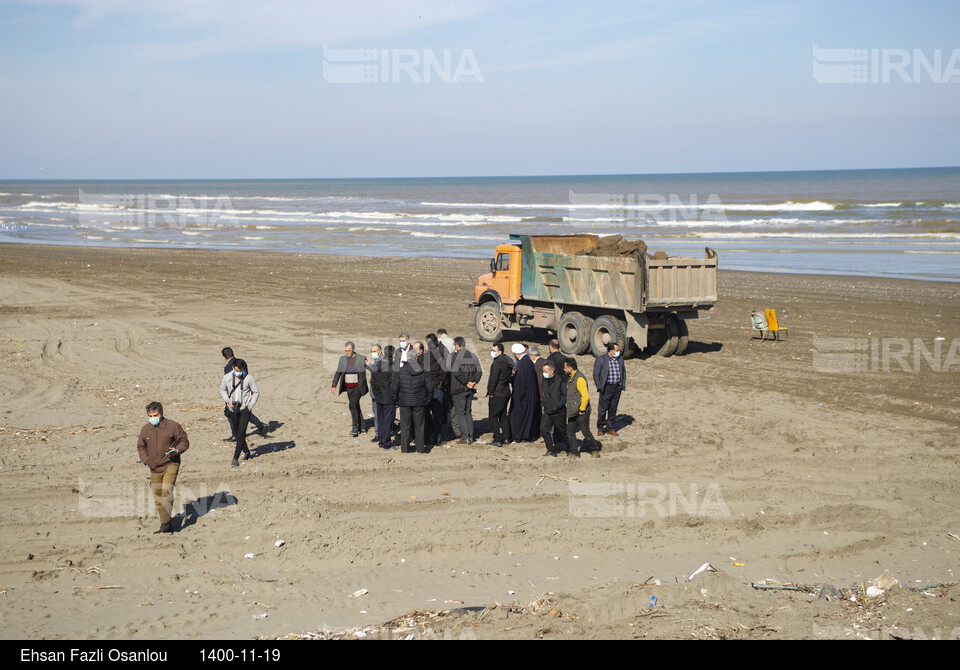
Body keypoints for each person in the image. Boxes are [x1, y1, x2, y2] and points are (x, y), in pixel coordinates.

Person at [137, 401, 189, 533]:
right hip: (154, 467)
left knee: (166, 493)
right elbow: (141, 446)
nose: (153, 418)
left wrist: (176, 451)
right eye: (150, 416)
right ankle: (167, 521)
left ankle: (164, 525)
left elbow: (184, 441)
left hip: (170, 464)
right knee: (158, 498)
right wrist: (145, 459)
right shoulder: (145, 429)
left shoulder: (173, 426)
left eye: (155, 415)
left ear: (161, 414)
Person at [221, 358, 261, 466]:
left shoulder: (248, 378)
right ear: (233, 368)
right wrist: (227, 401)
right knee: (239, 433)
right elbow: (223, 389)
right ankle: (247, 452)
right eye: (237, 370)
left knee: (240, 433)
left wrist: (250, 405)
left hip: (245, 410)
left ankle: (235, 457)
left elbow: (256, 392)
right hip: (232, 409)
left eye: (241, 370)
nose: (239, 373)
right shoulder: (227, 377)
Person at [391, 355, 434, 454]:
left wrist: (396, 401)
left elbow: (394, 388)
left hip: (405, 402)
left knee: (405, 427)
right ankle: (420, 449)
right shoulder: (424, 371)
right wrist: (428, 399)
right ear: (416, 358)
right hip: (419, 402)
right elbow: (430, 388)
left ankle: (405, 449)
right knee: (419, 427)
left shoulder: (400, 371)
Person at [221, 347, 267, 438]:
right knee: (244, 411)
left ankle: (235, 435)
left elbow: (229, 383)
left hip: (235, 394)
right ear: (233, 353)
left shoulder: (227, 368)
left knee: (232, 414)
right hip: (245, 391)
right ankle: (260, 425)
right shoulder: (242, 362)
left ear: (223, 357)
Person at [564, 357, 601, 458]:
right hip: (573, 410)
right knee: (570, 431)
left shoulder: (579, 379)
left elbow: (585, 396)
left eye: (565, 367)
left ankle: (595, 449)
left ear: (570, 368)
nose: (564, 369)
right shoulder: (571, 377)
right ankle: (574, 452)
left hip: (581, 411)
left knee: (585, 432)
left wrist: (582, 409)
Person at [331, 342, 368, 438]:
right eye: (346, 350)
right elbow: (338, 372)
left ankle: (355, 427)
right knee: (355, 405)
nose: (347, 352)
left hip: (358, 387)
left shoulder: (361, 358)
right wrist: (334, 385)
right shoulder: (342, 359)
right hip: (348, 387)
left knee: (352, 405)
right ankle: (362, 426)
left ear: (354, 350)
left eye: (349, 350)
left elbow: (371, 368)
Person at [449, 336, 482, 444]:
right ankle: (470, 435)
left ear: (457, 345)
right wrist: (474, 382)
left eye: (454, 345)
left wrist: (467, 382)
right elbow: (479, 371)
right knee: (468, 412)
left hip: (459, 388)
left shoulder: (455, 357)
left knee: (460, 413)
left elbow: (456, 372)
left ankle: (465, 436)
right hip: (470, 389)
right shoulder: (472, 355)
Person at [593, 342, 626, 436]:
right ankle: (600, 428)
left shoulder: (620, 359)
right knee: (602, 410)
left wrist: (622, 384)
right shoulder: (601, 359)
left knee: (613, 409)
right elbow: (596, 374)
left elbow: (623, 372)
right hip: (606, 388)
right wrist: (599, 387)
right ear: (611, 351)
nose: (618, 352)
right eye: (617, 350)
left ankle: (610, 428)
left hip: (617, 388)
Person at [509, 343, 540, 443]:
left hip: (523, 396)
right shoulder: (529, 362)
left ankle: (521, 436)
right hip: (531, 395)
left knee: (520, 416)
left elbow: (519, 383)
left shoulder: (522, 365)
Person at [369, 345, 397, 449]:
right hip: (388, 398)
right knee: (387, 420)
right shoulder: (393, 366)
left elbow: (373, 382)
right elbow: (393, 384)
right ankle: (385, 442)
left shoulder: (377, 364)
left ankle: (381, 440)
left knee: (381, 419)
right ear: (393, 354)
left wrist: (376, 394)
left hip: (379, 397)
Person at [486, 342, 513, 447]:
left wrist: (490, 392)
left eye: (494, 350)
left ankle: (497, 439)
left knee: (493, 417)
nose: (492, 352)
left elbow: (494, 379)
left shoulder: (497, 363)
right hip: (505, 391)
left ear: (500, 352)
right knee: (503, 415)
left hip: (498, 393)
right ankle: (506, 437)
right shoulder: (507, 361)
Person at [423, 334, 448, 447]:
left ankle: (426, 438)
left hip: (426, 390)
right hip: (438, 388)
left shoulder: (423, 358)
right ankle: (437, 439)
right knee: (437, 416)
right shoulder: (440, 359)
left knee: (426, 415)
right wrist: (440, 383)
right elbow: (445, 373)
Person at [539, 362, 569, 457]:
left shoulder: (560, 380)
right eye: (543, 371)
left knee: (563, 431)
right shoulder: (545, 379)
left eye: (546, 371)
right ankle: (550, 450)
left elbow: (565, 395)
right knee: (543, 429)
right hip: (548, 410)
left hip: (558, 412)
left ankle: (571, 449)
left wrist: (558, 404)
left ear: (552, 371)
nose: (544, 373)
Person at [366, 344, 383, 442]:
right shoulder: (377, 361)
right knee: (376, 413)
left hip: (379, 393)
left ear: (380, 351)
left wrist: (369, 366)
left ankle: (378, 434)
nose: (373, 353)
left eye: (374, 351)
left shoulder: (381, 361)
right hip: (374, 393)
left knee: (378, 415)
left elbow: (378, 372)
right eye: (371, 351)